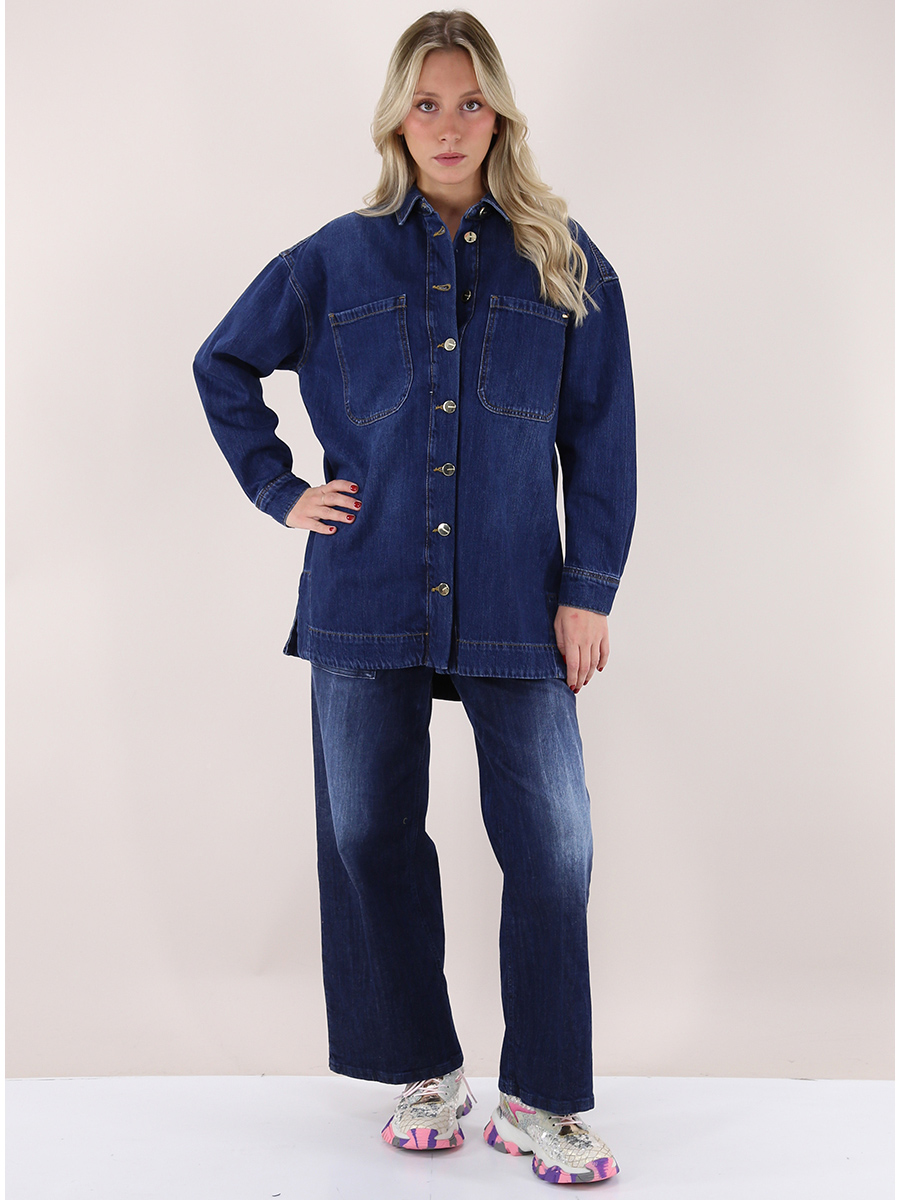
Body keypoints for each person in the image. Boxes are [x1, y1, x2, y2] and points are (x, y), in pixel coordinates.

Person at [193, 8, 636, 1187]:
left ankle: (542, 1095)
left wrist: (589, 589)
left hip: (517, 602)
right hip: (366, 588)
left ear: (500, 115)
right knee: (364, 830)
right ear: (397, 118)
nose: (448, 125)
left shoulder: (564, 260)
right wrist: (282, 490)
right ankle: (422, 1068)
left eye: (470, 102)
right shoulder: (333, 260)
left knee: (555, 848)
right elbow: (222, 363)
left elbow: (602, 437)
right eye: (427, 103)